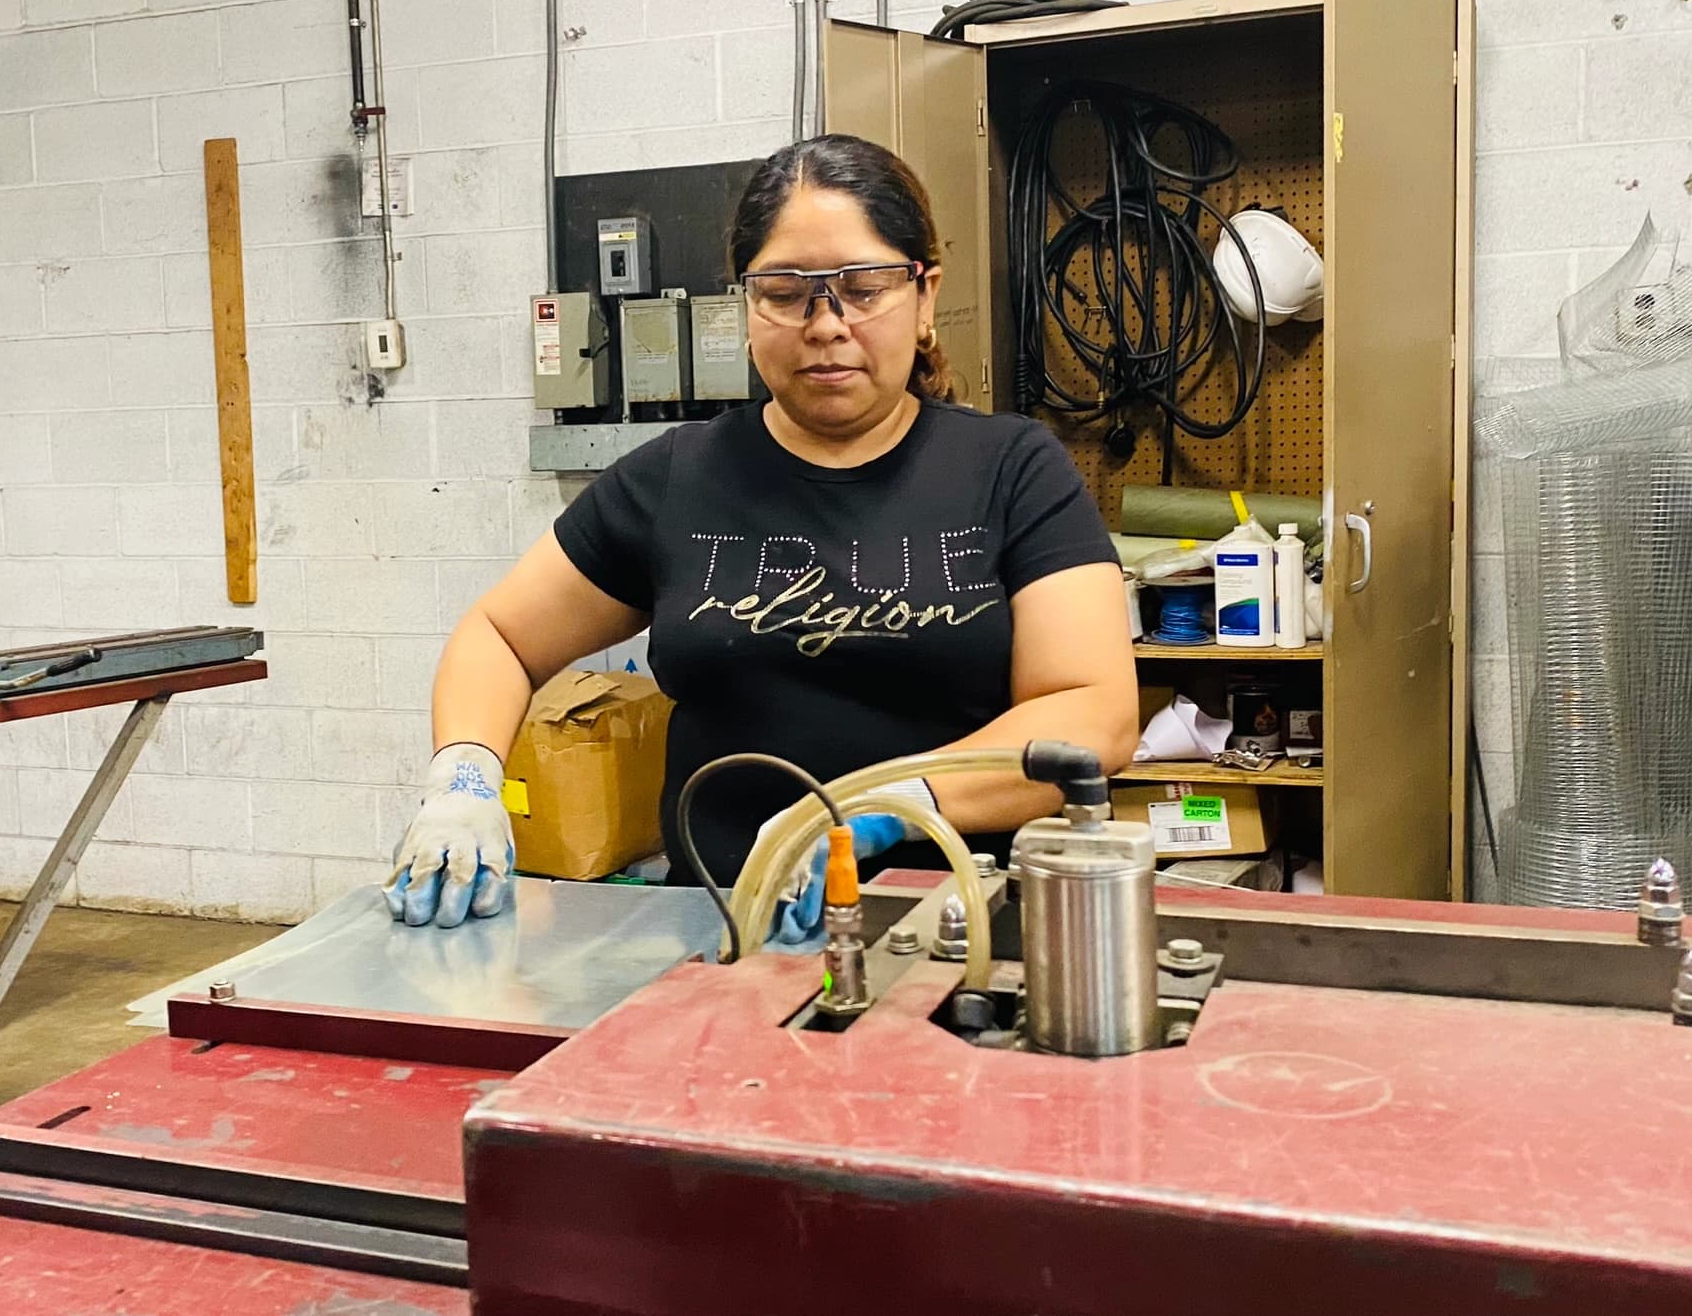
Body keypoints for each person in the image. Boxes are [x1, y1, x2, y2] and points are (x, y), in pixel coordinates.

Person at [386, 134, 1136, 933]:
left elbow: (1094, 713)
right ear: (745, 304)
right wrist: (463, 782)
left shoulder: (1011, 469)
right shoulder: (677, 477)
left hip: (950, 932)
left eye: (863, 286)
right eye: (785, 291)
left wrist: (885, 803)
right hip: (716, 933)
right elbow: (499, 636)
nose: (825, 324)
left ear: (924, 297)